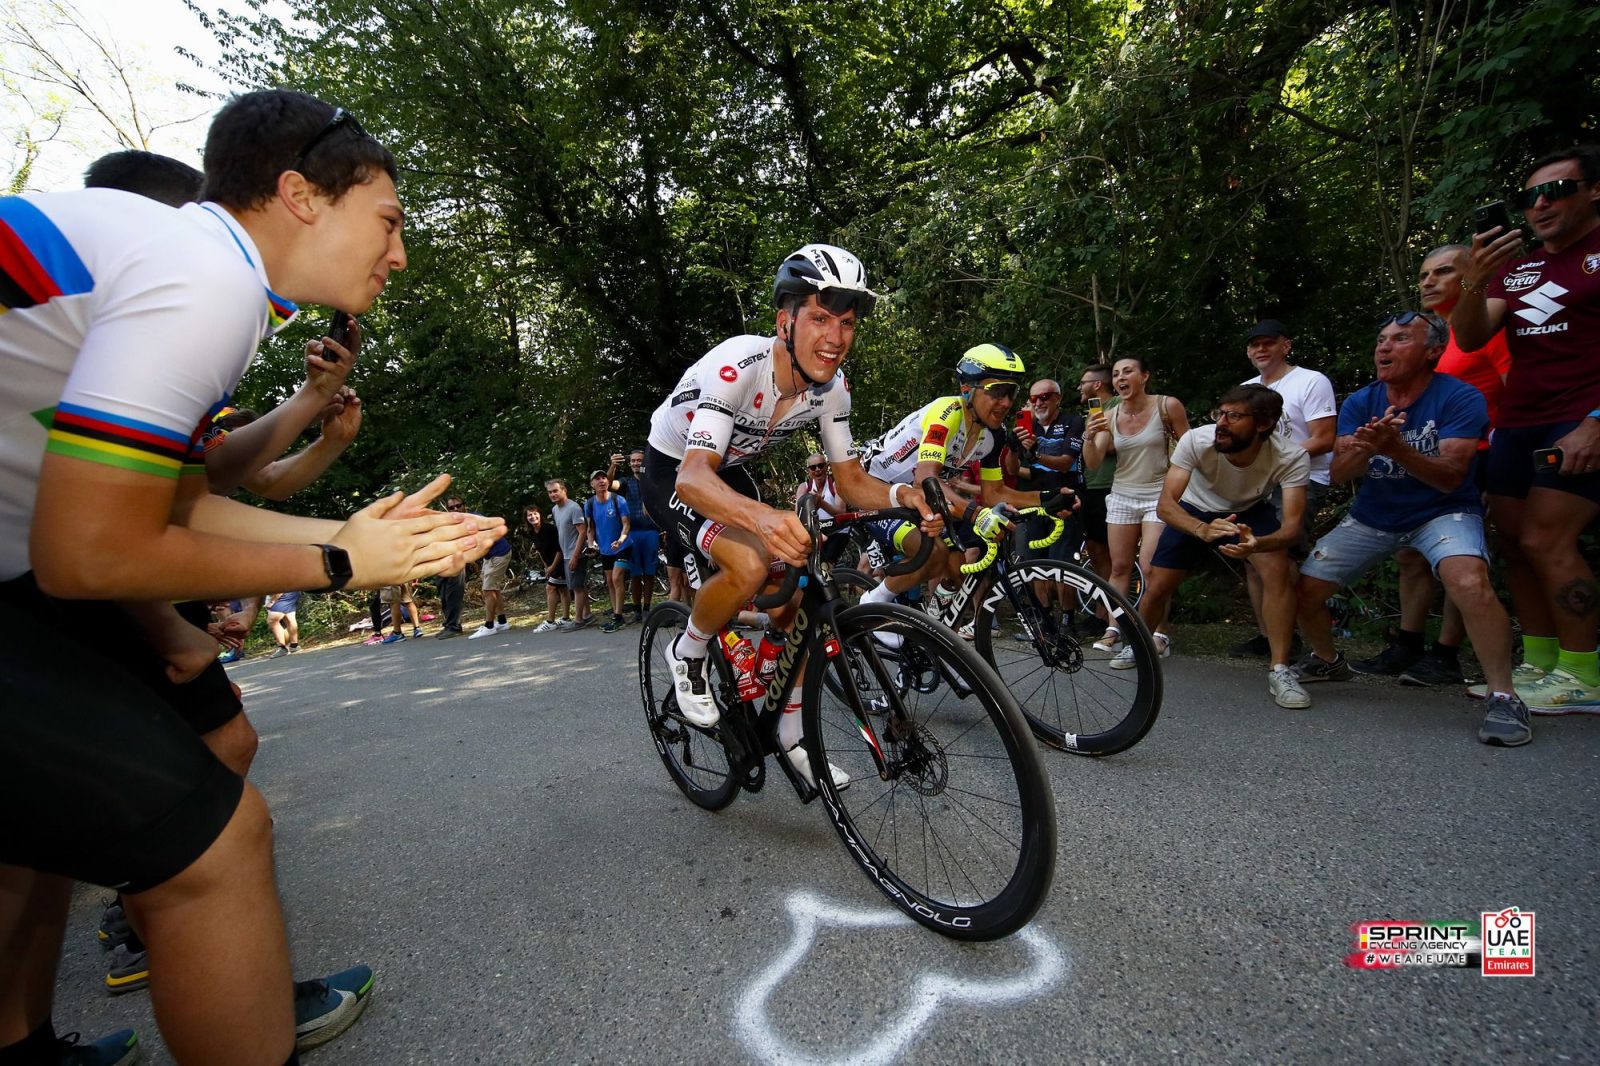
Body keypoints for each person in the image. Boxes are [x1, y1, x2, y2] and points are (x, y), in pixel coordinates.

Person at [0, 89, 502, 1066]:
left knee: (69, 843)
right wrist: (337, 560)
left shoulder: (181, 261)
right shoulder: (206, 278)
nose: (398, 255)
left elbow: (177, 500)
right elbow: (89, 551)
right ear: (300, 195)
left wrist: (351, 535)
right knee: (216, 844)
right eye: (389, 221)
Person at [641, 243, 940, 790]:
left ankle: (790, 731)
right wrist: (762, 521)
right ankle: (689, 648)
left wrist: (903, 498)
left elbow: (849, 481)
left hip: (727, 469)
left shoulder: (831, 390)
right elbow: (691, 478)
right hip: (677, 467)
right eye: (820, 318)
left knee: (800, 599)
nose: (835, 336)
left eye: (847, 322)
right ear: (786, 322)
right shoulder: (739, 366)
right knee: (751, 560)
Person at [1291, 312, 1530, 746]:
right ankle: (1327, 659)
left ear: (1433, 351)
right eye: (1381, 339)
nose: (1384, 347)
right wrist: (1365, 448)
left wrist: (1395, 448)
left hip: (1443, 512)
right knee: (1303, 591)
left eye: (1401, 339)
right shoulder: (1363, 401)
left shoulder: (1460, 398)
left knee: (1470, 582)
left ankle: (1503, 695)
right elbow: (1340, 475)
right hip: (1373, 515)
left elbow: (1452, 476)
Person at [1453, 145, 1600, 713]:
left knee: (1548, 537)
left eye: (1557, 191)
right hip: (1518, 420)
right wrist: (1474, 279)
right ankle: (1540, 662)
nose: (1541, 204)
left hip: (1583, 415)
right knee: (1514, 542)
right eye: (1531, 196)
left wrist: (1595, 422)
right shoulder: (1517, 269)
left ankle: (1584, 673)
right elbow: (1468, 338)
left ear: (1594, 191)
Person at [1364, 245, 1512, 684]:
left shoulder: (1487, 327)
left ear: (1473, 276)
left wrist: (1503, 459)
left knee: (1460, 558)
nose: (1429, 281)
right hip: (1420, 451)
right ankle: (1408, 644)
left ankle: (1445, 653)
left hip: (1479, 456)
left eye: (1444, 272)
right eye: (1425, 273)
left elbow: (1516, 392)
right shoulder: (1433, 334)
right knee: (1411, 553)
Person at [1114, 386, 1311, 707]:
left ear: (1263, 424)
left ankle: (1280, 669)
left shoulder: (1291, 455)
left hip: (1249, 510)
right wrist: (1201, 529)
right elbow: (1166, 505)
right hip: (1193, 507)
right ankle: (1139, 645)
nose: (1222, 422)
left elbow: (1291, 528)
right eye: (1219, 413)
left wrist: (1258, 543)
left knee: (1278, 570)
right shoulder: (1197, 440)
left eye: (1234, 416)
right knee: (1157, 582)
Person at [857, 345, 1078, 619]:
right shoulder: (947, 412)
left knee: (958, 567)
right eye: (997, 391)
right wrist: (974, 513)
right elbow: (926, 477)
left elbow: (994, 492)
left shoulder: (994, 435)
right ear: (966, 389)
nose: (1006, 402)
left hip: (919, 497)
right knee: (933, 552)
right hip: (875, 489)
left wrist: (1046, 498)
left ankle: (929, 631)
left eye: (1011, 393)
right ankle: (871, 606)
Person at [1231, 319, 1336, 659]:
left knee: (1279, 559)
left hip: (1300, 480)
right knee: (1252, 556)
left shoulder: (1309, 381)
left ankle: (1290, 642)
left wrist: (1278, 462)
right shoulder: (1247, 389)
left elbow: (1323, 439)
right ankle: (1267, 636)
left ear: (1285, 345)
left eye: (1268, 343)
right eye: (1254, 345)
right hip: (1255, 484)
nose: (1260, 349)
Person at [1082, 355, 1190, 652]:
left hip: (1159, 494)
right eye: (1116, 374)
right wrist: (1090, 438)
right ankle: (1115, 628)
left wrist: (1183, 490)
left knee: (1152, 568)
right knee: (1119, 567)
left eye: (1128, 371)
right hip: (1122, 495)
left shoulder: (1167, 406)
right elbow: (1093, 463)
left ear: (1144, 376)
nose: (1120, 378)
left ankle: (1159, 632)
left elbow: (1191, 448)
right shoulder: (1109, 414)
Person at [1006, 377, 1086, 630]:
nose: (1038, 402)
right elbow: (1013, 470)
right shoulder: (1026, 427)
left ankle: (1067, 618)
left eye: (1044, 397)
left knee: (1063, 563)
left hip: (1065, 500)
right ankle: (1044, 617)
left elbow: (1066, 462)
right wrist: (1015, 447)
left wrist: (1036, 452)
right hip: (1033, 500)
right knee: (1034, 562)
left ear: (1057, 398)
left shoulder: (1072, 422)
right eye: (1033, 398)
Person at [610, 449, 662, 618]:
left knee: (649, 573)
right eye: (632, 461)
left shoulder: (653, 481)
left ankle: (647, 608)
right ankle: (636, 609)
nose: (635, 464)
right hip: (632, 533)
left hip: (651, 532)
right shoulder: (626, 481)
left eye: (638, 461)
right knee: (635, 573)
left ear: (644, 461)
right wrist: (613, 465)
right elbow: (610, 484)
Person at [586, 469, 633, 632]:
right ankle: (616, 614)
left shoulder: (618, 500)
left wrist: (620, 540)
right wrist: (591, 544)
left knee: (616, 578)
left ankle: (619, 617)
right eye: (597, 479)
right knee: (610, 582)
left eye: (603, 478)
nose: (601, 481)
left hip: (623, 546)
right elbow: (590, 528)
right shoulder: (590, 504)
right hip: (606, 549)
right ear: (592, 484)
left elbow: (626, 524)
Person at [547, 478, 592, 629]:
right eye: (550, 492)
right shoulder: (555, 509)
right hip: (566, 553)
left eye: (555, 491)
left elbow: (582, 532)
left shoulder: (574, 508)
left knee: (576, 587)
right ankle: (587, 615)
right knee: (578, 585)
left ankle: (578, 620)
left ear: (564, 491)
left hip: (576, 553)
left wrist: (574, 555)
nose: (553, 494)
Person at [526, 504, 571, 632]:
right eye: (529, 515)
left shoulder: (549, 529)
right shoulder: (532, 532)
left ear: (540, 515)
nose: (533, 517)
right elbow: (540, 551)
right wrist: (546, 567)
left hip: (560, 562)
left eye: (535, 513)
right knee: (562, 589)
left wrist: (552, 567)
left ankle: (550, 621)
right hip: (550, 564)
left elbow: (559, 549)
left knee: (550, 588)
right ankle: (566, 618)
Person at [435, 495, 468, 637]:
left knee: (453, 595)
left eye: (458, 505)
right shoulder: (445, 523)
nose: (455, 509)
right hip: (442, 563)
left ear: (463, 505)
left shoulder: (469, 521)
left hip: (457, 562)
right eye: (451, 507)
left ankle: (453, 626)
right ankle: (449, 624)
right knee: (443, 595)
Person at [470, 533, 513, 638]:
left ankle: (489, 627)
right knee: (492, 588)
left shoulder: (473, 520)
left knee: (488, 590)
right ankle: (502, 622)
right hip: (490, 556)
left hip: (499, 554)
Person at [266, 591, 302, 657]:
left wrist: (272, 601)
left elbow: (280, 586)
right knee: (289, 618)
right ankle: (294, 646)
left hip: (284, 593)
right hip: (294, 591)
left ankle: (282, 648)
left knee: (272, 620)